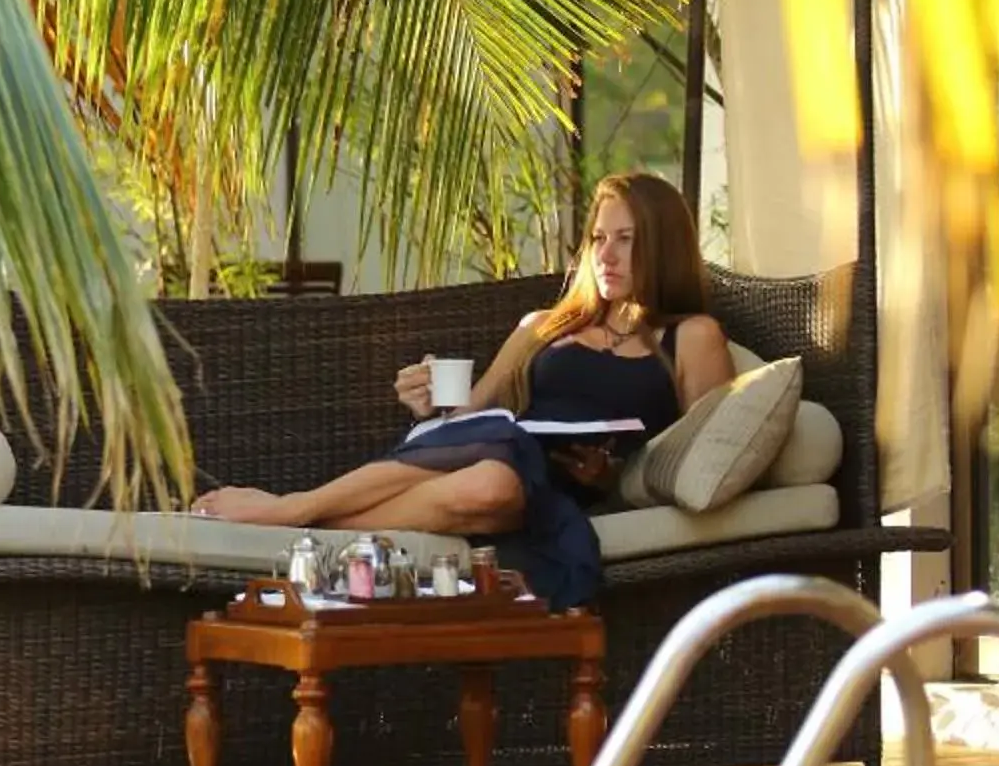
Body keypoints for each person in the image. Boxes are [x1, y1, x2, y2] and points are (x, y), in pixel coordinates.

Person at [193, 171, 734, 604]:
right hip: (500, 453)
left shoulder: (692, 337)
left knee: (493, 487)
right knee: (496, 469)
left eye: (625, 240)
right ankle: (292, 512)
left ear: (661, 246)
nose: (606, 255)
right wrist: (427, 403)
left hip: (559, 490)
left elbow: (693, 457)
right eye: (597, 238)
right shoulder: (545, 325)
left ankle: (294, 514)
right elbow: (471, 414)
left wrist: (615, 476)